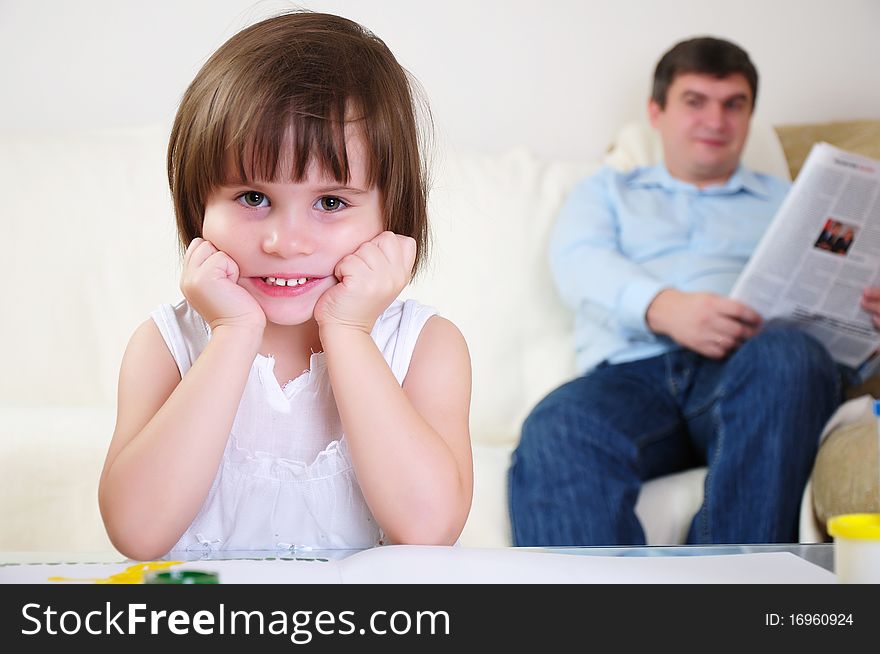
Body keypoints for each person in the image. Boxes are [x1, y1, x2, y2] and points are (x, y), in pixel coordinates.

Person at [99, 12, 473, 561]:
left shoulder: (426, 348)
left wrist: (347, 330)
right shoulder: (166, 346)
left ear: (392, 211)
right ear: (198, 202)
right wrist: (232, 332)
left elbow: (429, 528)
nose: (285, 241)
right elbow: (137, 532)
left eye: (330, 202)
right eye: (253, 197)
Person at [509, 36, 880, 546]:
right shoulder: (607, 190)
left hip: (752, 375)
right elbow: (578, 262)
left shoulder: (793, 199)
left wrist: (865, 321)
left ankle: (729, 599)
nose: (716, 121)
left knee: (791, 358)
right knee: (557, 427)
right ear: (656, 112)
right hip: (632, 378)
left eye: (734, 105)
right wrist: (665, 308)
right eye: (695, 102)